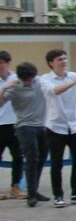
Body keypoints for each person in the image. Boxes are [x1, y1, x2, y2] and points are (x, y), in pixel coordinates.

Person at [39, 49, 76, 207]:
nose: (63, 61)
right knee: (57, 163)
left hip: (74, 125)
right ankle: (58, 195)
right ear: (51, 63)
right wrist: (74, 82)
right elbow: (56, 91)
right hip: (56, 126)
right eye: (59, 59)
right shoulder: (45, 79)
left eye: (64, 58)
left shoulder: (72, 75)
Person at [0, 62, 49, 206]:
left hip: (41, 125)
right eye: (26, 80)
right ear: (21, 78)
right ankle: (31, 195)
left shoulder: (40, 82)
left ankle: (34, 189)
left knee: (42, 157)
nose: (29, 82)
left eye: (31, 79)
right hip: (24, 126)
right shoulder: (14, 87)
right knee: (31, 158)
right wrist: (4, 89)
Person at [0, 51, 27, 201]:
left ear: (8, 63)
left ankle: (15, 187)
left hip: (16, 123)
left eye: (1, 63)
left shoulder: (17, 78)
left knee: (18, 156)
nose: (0, 66)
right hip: (0, 124)